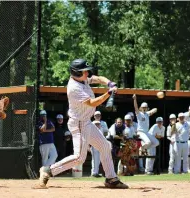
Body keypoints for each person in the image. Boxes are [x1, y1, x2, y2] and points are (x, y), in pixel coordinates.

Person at [38, 58, 128, 189]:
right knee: (79, 157)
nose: (87, 73)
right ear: (76, 73)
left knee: (104, 146)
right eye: (84, 71)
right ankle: (48, 170)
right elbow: (93, 103)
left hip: (86, 122)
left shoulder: (82, 79)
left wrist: (110, 83)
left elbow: (97, 78)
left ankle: (111, 178)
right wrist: (108, 93)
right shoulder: (74, 88)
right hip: (78, 124)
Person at [132, 94, 158, 173]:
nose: (144, 108)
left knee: (156, 142)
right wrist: (135, 99)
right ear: (141, 108)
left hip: (146, 132)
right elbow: (136, 107)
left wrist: (153, 110)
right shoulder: (139, 113)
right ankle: (142, 148)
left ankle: (144, 148)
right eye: (143, 107)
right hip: (140, 132)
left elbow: (155, 109)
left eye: (145, 107)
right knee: (148, 142)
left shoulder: (147, 114)